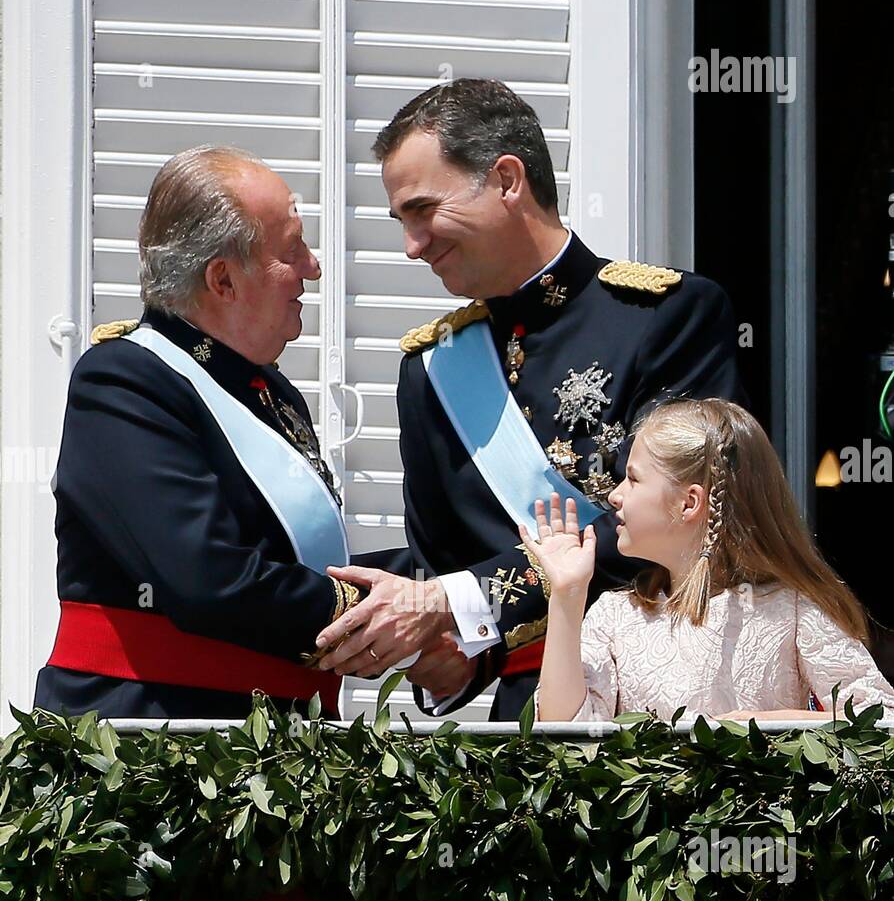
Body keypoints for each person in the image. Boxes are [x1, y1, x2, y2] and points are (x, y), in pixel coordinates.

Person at [313, 78, 748, 719]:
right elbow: (450, 567)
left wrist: (453, 603)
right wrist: (443, 646)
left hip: (669, 698)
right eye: (402, 221)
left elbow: (689, 515)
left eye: (424, 210)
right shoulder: (431, 371)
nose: (412, 245)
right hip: (530, 722)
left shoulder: (669, 315)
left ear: (508, 179)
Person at [33, 144, 466, 720]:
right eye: (293, 251)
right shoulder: (122, 381)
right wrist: (389, 605)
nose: (314, 268)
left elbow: (289, 566)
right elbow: (210, 579)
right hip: (151, 747)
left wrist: (448, 583)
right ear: (223, 280)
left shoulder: (268, 389)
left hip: (273, 737)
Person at [522, 398, 894, 724]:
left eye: (633, 480)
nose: (615, 495)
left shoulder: (791, 610)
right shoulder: (615, 617)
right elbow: (565, 736)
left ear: (689, 502)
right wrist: (567, 598)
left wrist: (766, 727)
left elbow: (878, 721)